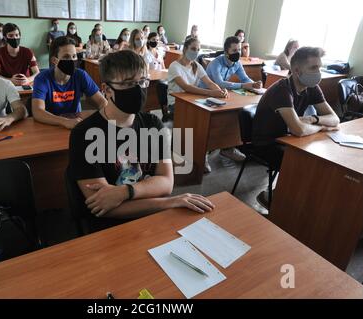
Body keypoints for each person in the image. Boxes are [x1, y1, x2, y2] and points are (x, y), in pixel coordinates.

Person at [69, 50, 214, 232]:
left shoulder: (153, 124)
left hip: (153, 219)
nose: (138, 89)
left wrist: (125, 191)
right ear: (106, 90)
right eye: (128, 83)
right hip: (109, 230)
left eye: (142, 82)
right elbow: (103, 207)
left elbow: (166, 183)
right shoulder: (85, 133)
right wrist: (166, 203)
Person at [252, 47, 340, 208]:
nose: (318, 72)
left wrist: (313, 119)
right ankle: (274, 198)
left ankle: (292, 200)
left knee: (322, 160)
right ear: (297, 70)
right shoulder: (282, 90)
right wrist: (320, 127)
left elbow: (334, 119)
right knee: (309, 163)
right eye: (313, 68)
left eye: (319, 67)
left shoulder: (311, 87)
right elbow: (298, 130)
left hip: (287, 139)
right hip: (266, 143)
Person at [168, 37, 228, 170]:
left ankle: (202, 154)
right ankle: (196, 155)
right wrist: (212, 94)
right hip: (176, 104)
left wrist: (220, 91)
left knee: (208, 120)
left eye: (198, 50)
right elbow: (187, 87)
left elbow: (209, 82)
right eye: (193, 49)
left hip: (193, 102)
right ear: (185, 49)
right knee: (201, 121)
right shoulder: (174, 66)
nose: (195, 52)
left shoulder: (197, 65)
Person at [200, 36, 262, 164]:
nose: (237, 53)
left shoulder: (237, 63)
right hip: (205, 95)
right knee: (211, 123)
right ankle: (204, 152)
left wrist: (254, 84)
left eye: (238, 49)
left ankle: (227, 147)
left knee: (233, 116)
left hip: (223, 95)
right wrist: (244, 85)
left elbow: (245, 79)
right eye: (234, 50)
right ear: (226, 51)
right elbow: (220, 83)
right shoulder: (215, 63)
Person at [32, 37, 107, 129]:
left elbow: (102, 102)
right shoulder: (42, 78)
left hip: (75, 124)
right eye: (66, 57)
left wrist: (104, 117)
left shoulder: (81, 75)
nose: (72, 60)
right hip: (49, 125)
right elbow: (37, 111)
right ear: (54, 60)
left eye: (74, 56)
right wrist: (64, 121)